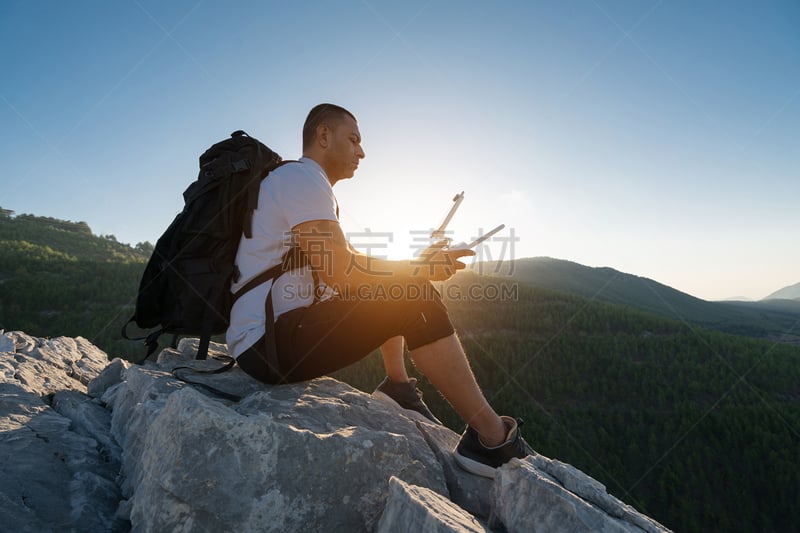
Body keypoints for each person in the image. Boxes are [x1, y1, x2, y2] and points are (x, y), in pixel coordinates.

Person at [226, 103, 529, 477]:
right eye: (353, 140)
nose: (361, 151)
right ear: (323, 136)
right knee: (412, 293)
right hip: (267, 345)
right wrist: (416, 272)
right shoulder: (303, 181)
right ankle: (491, 440)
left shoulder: (295, 182)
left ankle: (398, 387)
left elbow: (348, 265)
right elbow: (343, 274)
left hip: (268, 337)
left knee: (403, 284)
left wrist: (411, 266)